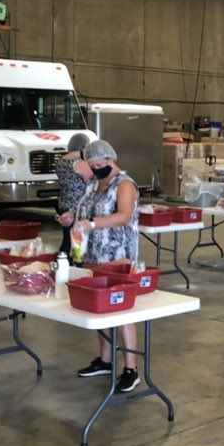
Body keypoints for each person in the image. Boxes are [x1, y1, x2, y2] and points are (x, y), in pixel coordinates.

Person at [62, 140, 142, 392]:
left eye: (99, 165)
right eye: (92, 166)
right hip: (92, 253)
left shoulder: (125, 184)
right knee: (100, 309)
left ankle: (131, 369)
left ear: (111, 160)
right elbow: (86, 209)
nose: (96, 169)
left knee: (121, 312)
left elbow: (124, 216)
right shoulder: (94, 183)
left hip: (117, 255)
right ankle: (105, 360)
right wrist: (73, 217)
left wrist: (93, 224)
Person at [56, 132, 92, 256]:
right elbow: (92, 184)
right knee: (78, 240)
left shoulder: (61, 161)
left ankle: (62, 265)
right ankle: (76, 266)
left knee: (67, 238)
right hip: (77, 207)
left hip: (63, 204)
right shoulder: (80, 163)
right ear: (84, 147)